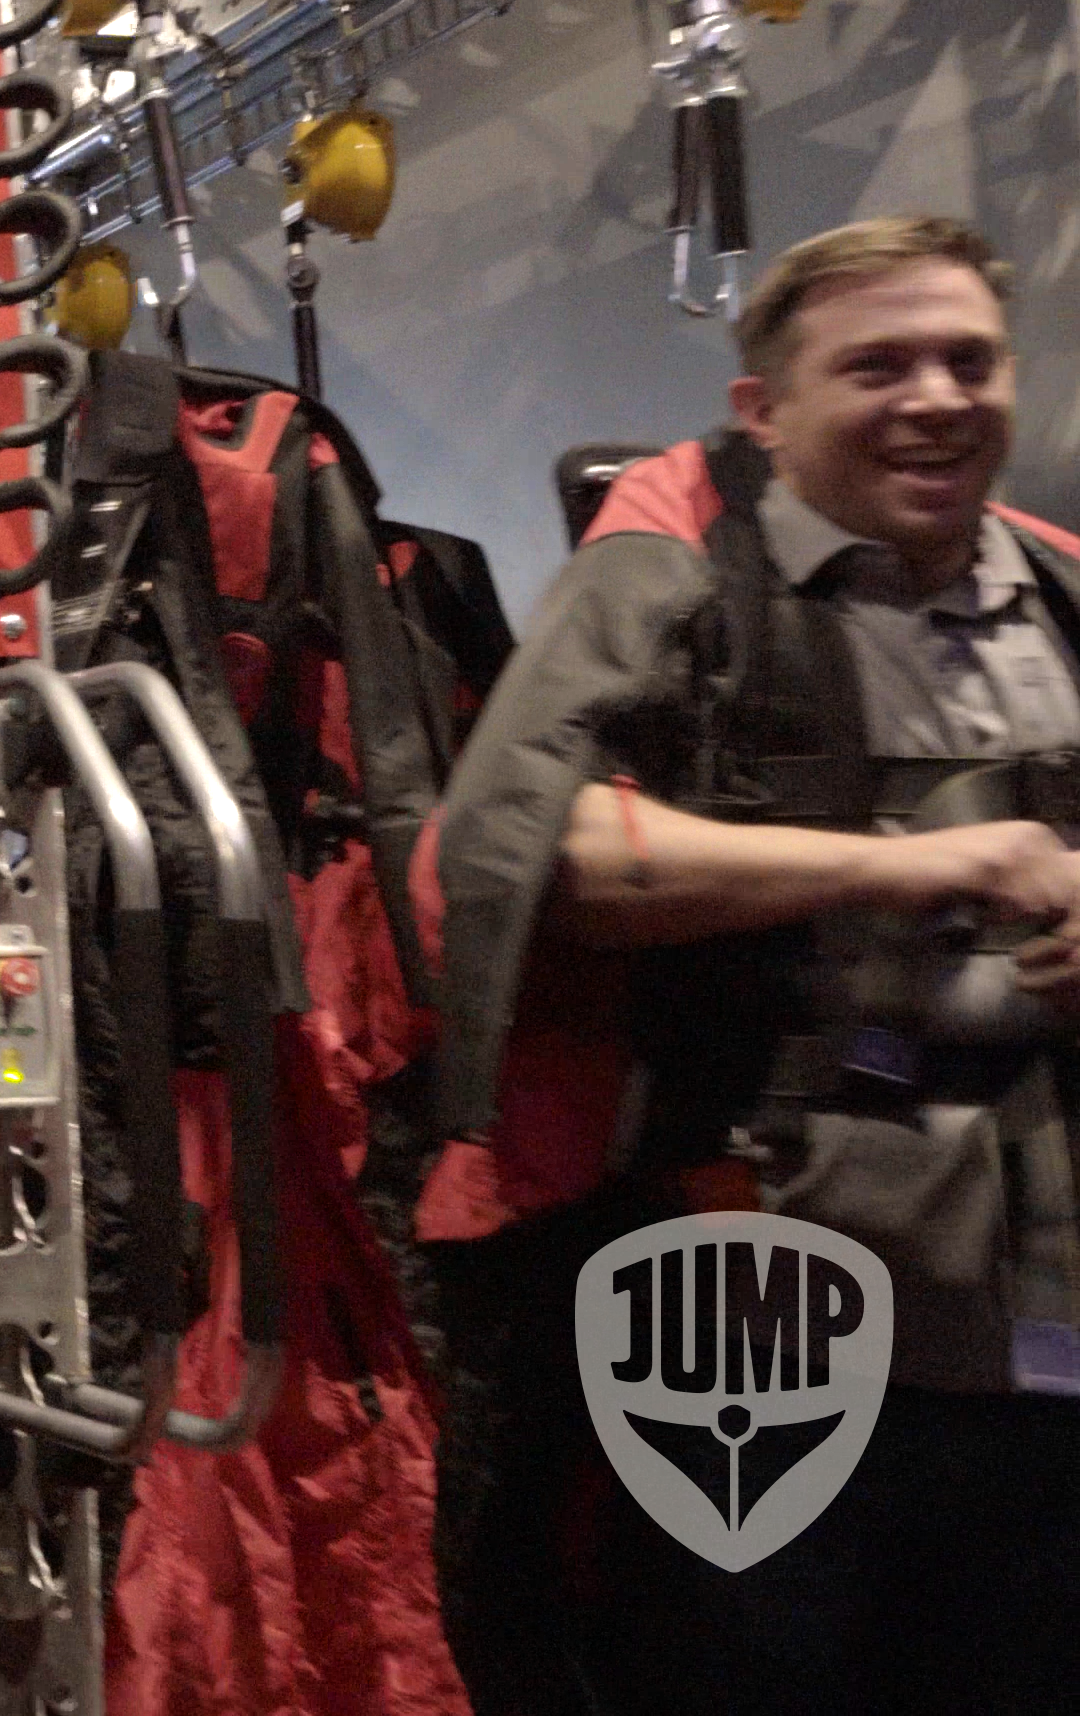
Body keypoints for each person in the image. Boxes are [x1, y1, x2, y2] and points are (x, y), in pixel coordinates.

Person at [410, 215, 1080, 1716]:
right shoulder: (683, 594)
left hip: (1046, 1310)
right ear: (764, 411)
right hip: (754, 1282)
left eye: (969, 359)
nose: (937, 396)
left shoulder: (1060, 592)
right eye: (879, 365)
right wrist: (915, 863)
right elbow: (533, 851)